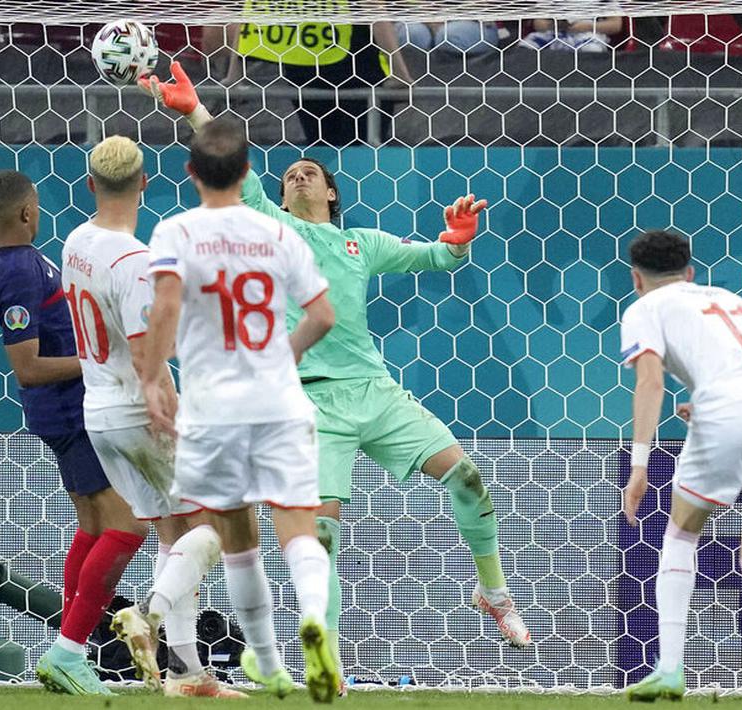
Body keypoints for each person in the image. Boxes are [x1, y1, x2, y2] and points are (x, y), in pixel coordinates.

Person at [140, 63, 532, 664]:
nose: (297, 175)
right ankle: (332, 661)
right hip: (313, 402)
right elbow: (228, 165)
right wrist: (194, 111)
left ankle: (494, 591)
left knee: (468, 480)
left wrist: (459, 238)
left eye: (310, 173)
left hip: (375, 392)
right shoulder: (273, 228)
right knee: (320, 537)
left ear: (330, 193)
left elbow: (438, 261)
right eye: (290, 173)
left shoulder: (363, 243)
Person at [137, 116, 340, 702]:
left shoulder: (175, 232)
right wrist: (282, 353)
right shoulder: (280, 236)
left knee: (236, 540)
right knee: (299, 527)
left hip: (213, 407)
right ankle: (314, 626)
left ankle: (272, 662)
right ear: (249, 171)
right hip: (278, 399)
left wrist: (152, 378)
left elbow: (166, 309)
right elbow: (322, 316)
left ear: (191, 172)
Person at [59, 135, 241, 698]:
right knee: (218, 525)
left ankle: (187, 674)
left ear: (90, 185)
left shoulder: (76, 242)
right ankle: (147, 613)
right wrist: (175, 410)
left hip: (99, 410)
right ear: (145, 182)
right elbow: (146, 354)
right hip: (141, 409)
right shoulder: (134, 261)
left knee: (173, 530)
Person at [618, 229, 742, 703]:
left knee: (680, 534)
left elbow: (650, 383)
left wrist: (639, 464)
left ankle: (669, 669)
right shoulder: (730, 299)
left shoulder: (643, 308)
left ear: (636, 279)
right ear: (690, 272)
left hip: (729, 413)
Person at [0, 170, 146, 696]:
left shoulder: (2, 258)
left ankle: (71, 652)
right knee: (131, 525)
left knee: (94, 526)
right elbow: (27, 366)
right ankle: (70, 649)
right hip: (68, 409)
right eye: (38, 207)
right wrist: (98, 359)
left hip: (64, 408)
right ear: (27, 214)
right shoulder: (19, 270)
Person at [203, 20, 412, 145]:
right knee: (356, 159)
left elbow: (251, 13)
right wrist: (400, 72)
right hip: (356, 71)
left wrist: (235, 72)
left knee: (322, 153)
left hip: (303, 68)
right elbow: (374, 9)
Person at [395, 20, 499, 56]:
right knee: (411, 35)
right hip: (421, 18)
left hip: (476, 22)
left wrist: (446, 19)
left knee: (448, 37)